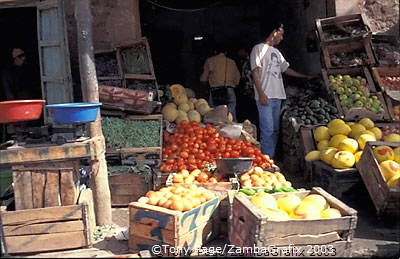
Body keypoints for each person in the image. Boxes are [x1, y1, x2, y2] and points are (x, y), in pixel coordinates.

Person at [250, 24, 315, 158]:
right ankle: (267, 162)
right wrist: (261, 94)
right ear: (274, 32)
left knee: (274, 130)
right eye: (281, 34)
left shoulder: (277, 52)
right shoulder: (258, 49)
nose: (282, 37)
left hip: (278, 96)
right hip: (265, 97)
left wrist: (305, 76)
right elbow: (255, 73)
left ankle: (269, 158)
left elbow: (285, 69)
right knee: (267, 130)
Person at [200, 45, 240, 121]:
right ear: (226, 52)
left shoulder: (210, 61)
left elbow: (203, 79)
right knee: (231, 115)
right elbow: (237, 78)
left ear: (215, 52)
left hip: (216, 92)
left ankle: (217, 132)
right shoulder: (232, 62)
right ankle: (235, 131)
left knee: (216, 116)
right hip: (230, 90)